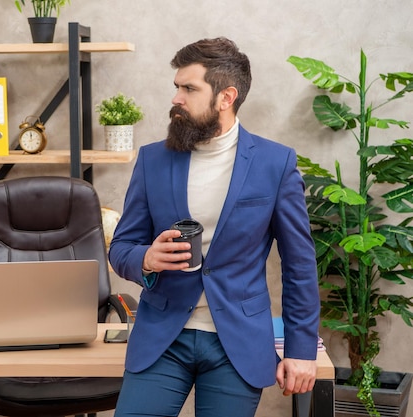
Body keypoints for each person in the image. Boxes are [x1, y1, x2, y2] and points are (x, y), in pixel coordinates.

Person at [108, 37, 320, 417]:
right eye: (177, 87)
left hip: (236, 342)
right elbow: (121, 248)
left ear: (226, 97)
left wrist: (301, 351)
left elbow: (300, 266)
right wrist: (147, 258)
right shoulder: (152, 160)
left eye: (189, 88)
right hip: (162, 338)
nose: (176, 98)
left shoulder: (276, 164)